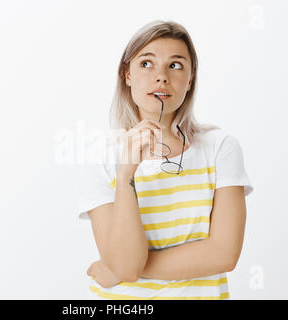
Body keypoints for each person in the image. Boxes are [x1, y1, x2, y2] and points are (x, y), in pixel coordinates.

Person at [77, 20, 254, 300]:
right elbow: (124, 264)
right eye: (147, 64)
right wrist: (126, 176)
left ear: (191, 78)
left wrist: (122, 269)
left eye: (175, 65)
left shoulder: (220, 147)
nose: (161, 76)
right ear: (127, 75)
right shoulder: (101, 155)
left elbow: (224, 254)